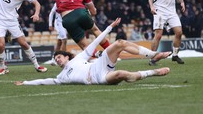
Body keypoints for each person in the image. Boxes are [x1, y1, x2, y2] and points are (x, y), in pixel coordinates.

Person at [14, 18, 172, 86]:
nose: (58, 60)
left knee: (120, 43)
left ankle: (153, 55)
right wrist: (26, 83)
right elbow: (45, 81)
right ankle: (153, 72)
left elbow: (96, 41)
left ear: (67, 56)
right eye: (56, 60)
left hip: (98, 65)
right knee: (121, 74)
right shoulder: (61, 77)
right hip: (99, 78)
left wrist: (110, 27)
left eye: (59, 57)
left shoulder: (80, 57)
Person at [12, 0, 110, 53]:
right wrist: (90, 14)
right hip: (81, 12)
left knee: (84, 45)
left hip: (67, 18)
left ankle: (97, 55)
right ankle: (109, 49)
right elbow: (93, 12)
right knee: (95, 30)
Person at [148, 0, 186, 66]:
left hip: (171, 12)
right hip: (159, 11)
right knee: (158, 35)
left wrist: (182, 2)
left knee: (179, 32)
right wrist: (152, 6)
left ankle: (175, 55)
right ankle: (152, 58)